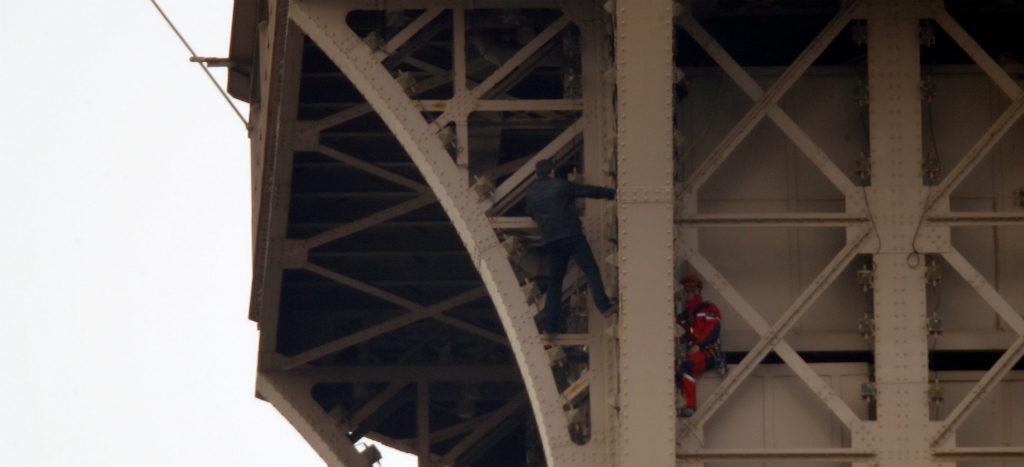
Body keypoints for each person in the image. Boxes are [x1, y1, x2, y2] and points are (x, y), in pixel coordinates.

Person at [525, 158, 616, 334]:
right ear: (552, 172)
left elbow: (531, 213)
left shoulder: (531, 195)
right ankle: (604, 306)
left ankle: (550, 326)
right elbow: (587, 191)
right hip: (573, 237)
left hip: (553, 241)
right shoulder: (561, 185)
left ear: (537, 175)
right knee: (591, 270)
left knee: (555, 283)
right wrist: (610, 193)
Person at [675, 274, 723, 418]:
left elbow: (713, 329)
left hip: (709, 352)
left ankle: (690, 406)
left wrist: (698, 345)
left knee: (687, 367)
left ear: (697, 291)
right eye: (685, 292)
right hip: (695, 351)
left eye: (688, 291)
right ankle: (680, 402)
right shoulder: (685, 316)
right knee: (678, 371)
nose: (686, 295)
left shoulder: (708, 309)